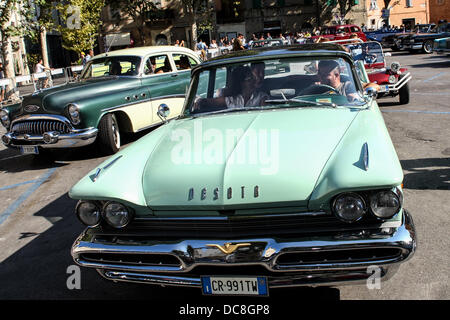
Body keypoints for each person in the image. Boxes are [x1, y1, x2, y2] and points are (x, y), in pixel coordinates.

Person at [194, 66, 268, 112]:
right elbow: (208, 102)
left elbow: (264, 113)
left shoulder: (261, 97)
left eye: (253, 78)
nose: (253, 81)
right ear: (241, 83)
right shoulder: (232, 99)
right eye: (249, 79)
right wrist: (199, 101)